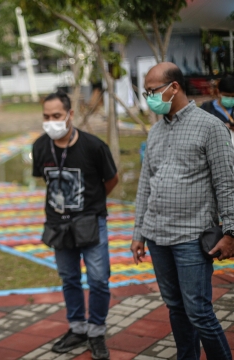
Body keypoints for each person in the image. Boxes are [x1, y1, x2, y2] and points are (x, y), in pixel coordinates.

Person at [131, 62, 234, 360]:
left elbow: (226, 184)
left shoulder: (210, 127)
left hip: (191, 237)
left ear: (173, 87)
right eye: (145, 92)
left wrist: (230, 232)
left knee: (199, 312)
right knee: (175, 308)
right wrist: (138, 233)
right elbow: (144, 186)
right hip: (157, 237)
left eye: (152, 91)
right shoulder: (155, 133)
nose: (148, 98)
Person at [32, 91, 118, 359]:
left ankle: (96, 331)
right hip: (58, 226)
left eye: (56, 116)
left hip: (91, 222)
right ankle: (77, 328)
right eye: (46, 117)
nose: (51, 122)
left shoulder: (94, 146)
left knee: (98, 279)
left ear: (70, 115)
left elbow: (112, 180)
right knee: (69, 279)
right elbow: (44, 180)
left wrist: (91, 203)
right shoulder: (40, 146)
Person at [201, 75, 234, 143]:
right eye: (227, 95)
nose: (230, 98)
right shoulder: (207, 108)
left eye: (233, 96)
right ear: (218, 92)